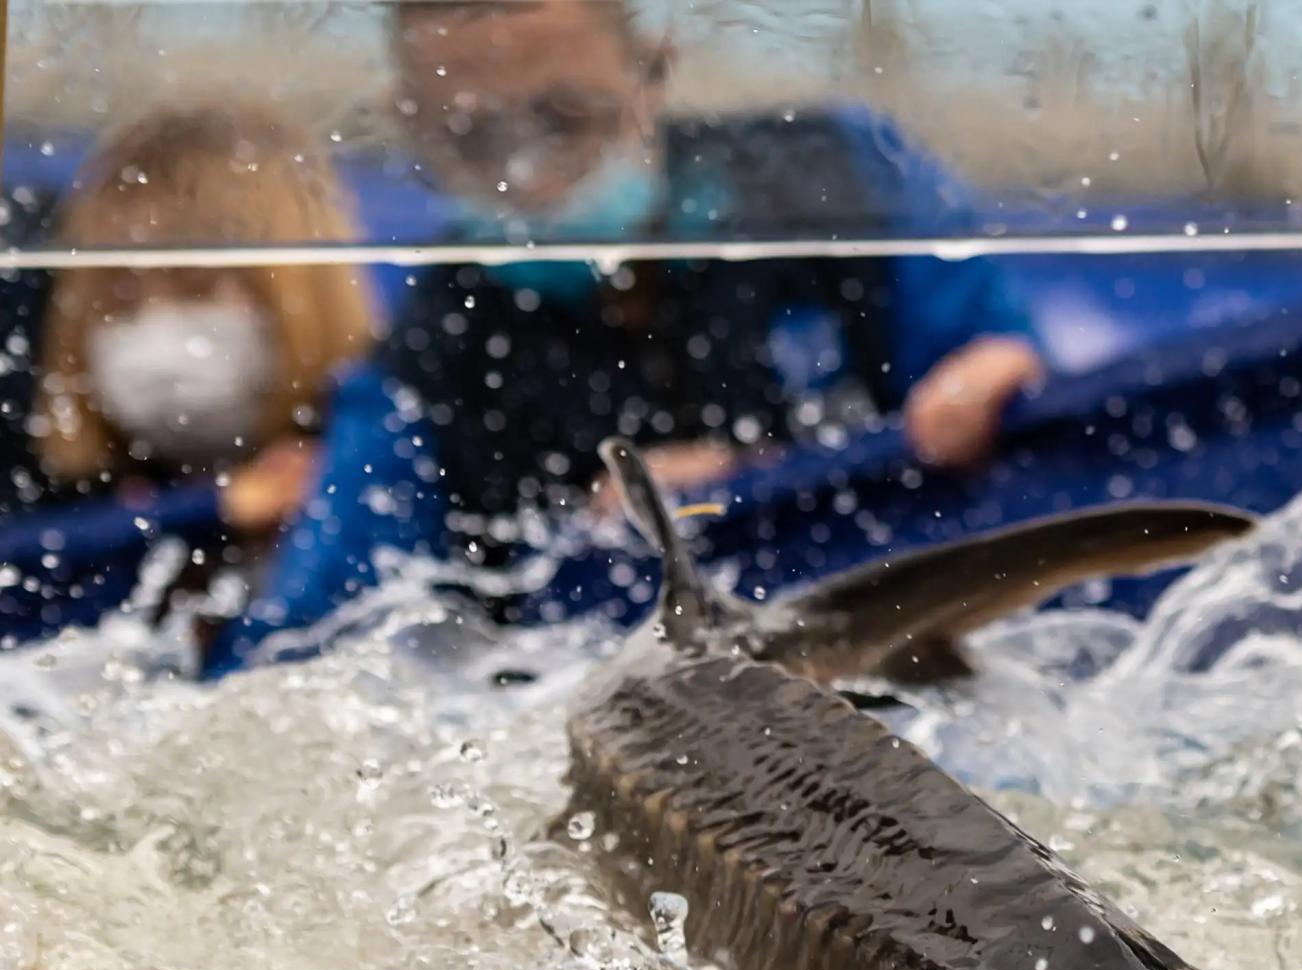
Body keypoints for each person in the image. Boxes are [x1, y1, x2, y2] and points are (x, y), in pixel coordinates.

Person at [210, 0, 1045, 665]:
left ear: (653, 74)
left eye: (564, 118)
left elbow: (1020, 395)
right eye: (475, 137)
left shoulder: (844, 184)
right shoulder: (421, 373)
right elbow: (292, 666)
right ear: (410, 124)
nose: (525, 169)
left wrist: (999, 379)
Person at [13, 102, 374, 639]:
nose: (157, 327)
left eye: (198, 286)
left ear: (297, 292)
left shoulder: (370, 448)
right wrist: (211, 508)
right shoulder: (72, 488)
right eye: (120, 300)